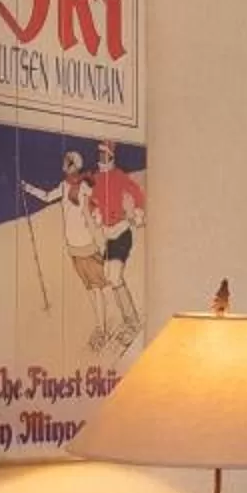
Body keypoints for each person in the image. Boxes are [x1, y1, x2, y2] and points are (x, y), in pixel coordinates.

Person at [18, 149, 113, 350]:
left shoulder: (85, 186)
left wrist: (101, 237)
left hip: (86, 245)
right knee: (91, 289)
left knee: (97, 289)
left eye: (67, 163)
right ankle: (100, 326)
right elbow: (46, 196)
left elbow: (92, 212)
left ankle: (103, 329)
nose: (64, 166)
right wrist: (28, 188)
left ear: (72, 166)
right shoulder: (63, 187)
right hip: (74, 248)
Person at [89, 139, 147, 353]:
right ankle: (128, 319)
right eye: (99, 156)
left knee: (114, 277)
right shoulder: (96, 179)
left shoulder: (118, 176)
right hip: (108, 237)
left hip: (122, 233)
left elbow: (137, 193)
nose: (101, 160)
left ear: (111, 157)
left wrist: (139, 212)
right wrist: (95, 210)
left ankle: (132, 322)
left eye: (105, 156)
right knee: (110, 277)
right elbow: (92, 200)